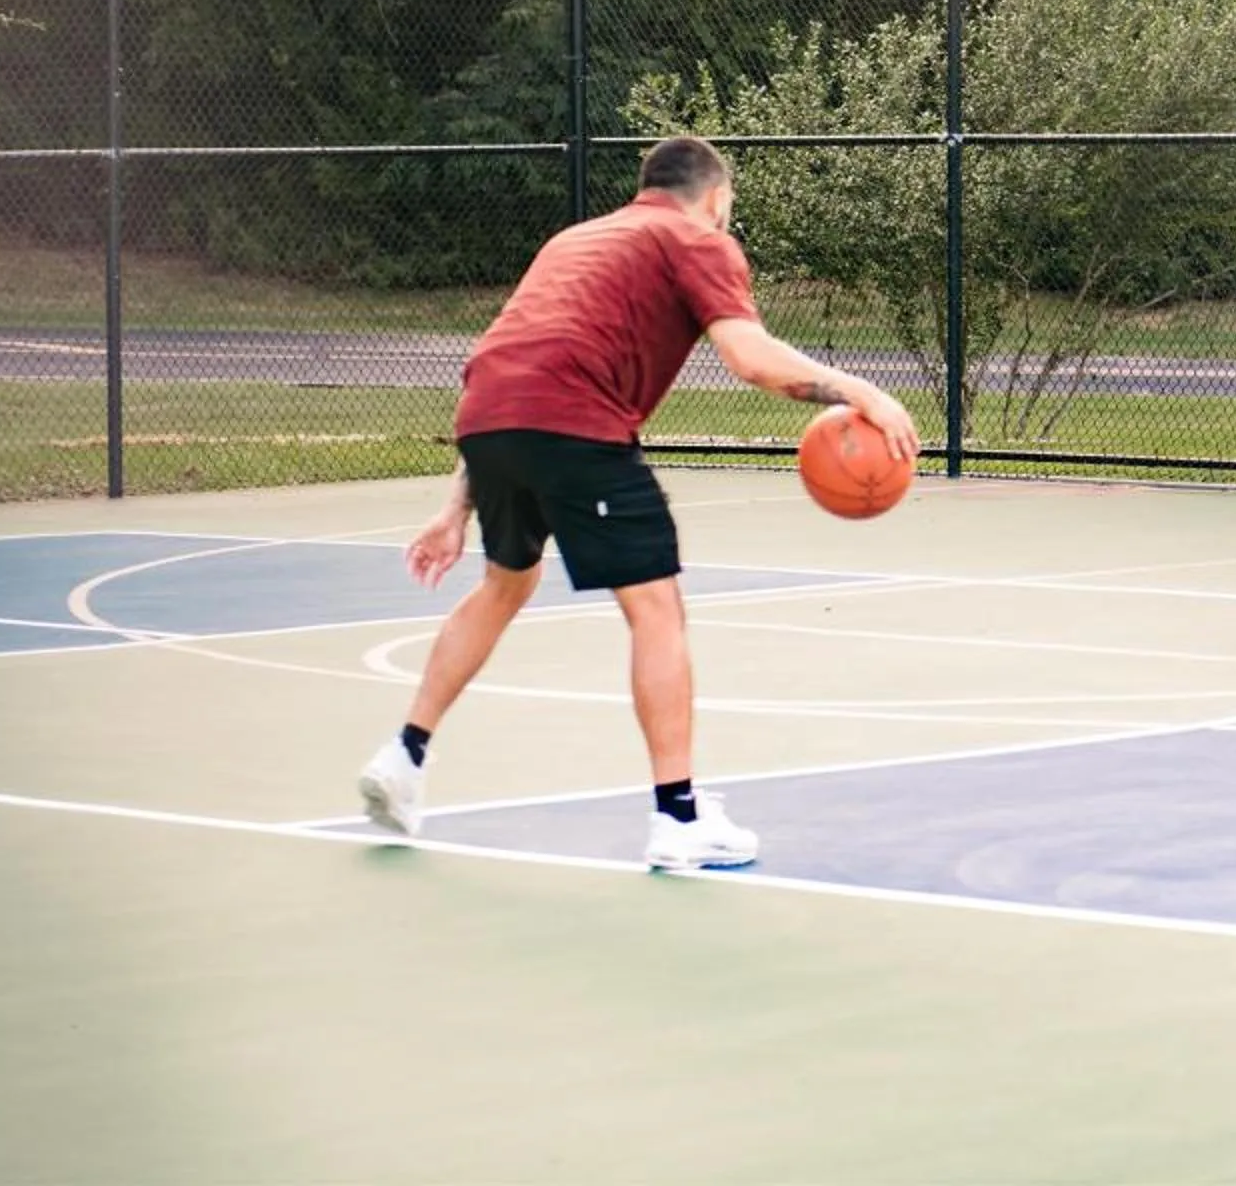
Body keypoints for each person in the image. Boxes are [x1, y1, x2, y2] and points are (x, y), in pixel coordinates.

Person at [356, 135, 918, 870]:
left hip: (487, 420)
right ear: (716, 197)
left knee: (504, 584)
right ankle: (678, 815)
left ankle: (404, 758)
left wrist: (457, 503)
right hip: (574, 425)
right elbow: (749, 358)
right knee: (655, 608)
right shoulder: (698, 238)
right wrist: (860, 389)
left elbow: (520, 363)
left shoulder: (577, 239)